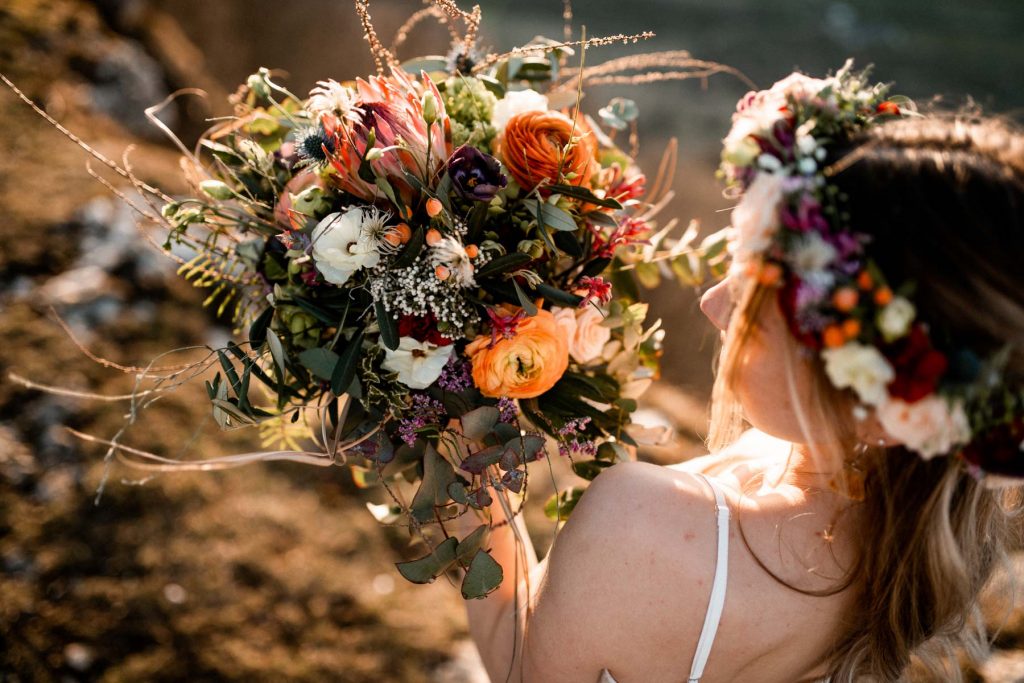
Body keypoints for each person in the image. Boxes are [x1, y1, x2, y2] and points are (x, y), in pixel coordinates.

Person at [457, 65, 1024, 682]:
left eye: (756, 295)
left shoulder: (640, 527)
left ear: (869, 386)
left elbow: (521, 668)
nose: (714, 303)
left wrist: (467, 468)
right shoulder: (917, 526)